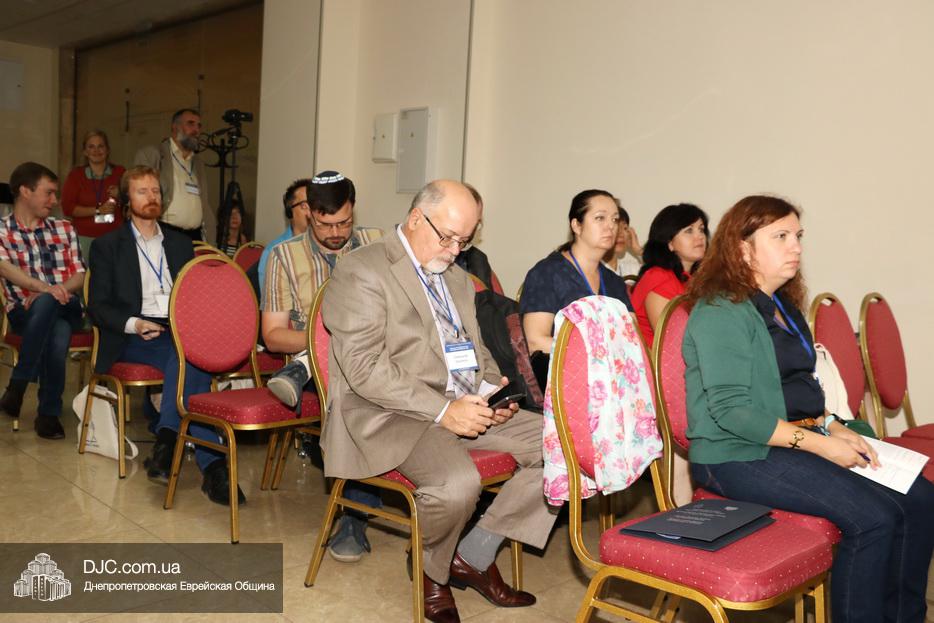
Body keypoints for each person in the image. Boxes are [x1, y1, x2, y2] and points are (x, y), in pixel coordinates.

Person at [683, 195, 934, 623]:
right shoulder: (720, 311)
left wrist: (832, 426)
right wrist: (819, 445)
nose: (796, 247)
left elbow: (799, 387)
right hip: (736, 453)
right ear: (743, 248)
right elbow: (732, 412)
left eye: (797, 236)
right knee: (873, 519)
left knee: (920, 498)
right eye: (780, 237)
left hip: (794, 435)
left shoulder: (782, 305)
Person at [322, 180, 556, 622]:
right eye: (447, 237)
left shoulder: (457, 278)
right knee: (456, 485)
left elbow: (476, 350)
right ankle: (434, 571)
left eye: (464, 241)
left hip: (461, 403)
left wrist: (490, 392)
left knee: (562, 445)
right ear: (416, 218)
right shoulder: (362, 269)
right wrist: (444, 411)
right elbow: (363, 368)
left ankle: (472, 554)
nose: (454, 250)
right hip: (389, 412)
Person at [86, 165, 242, 505]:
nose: (151, 197)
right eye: (142, 191)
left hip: (177, 330)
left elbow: (196, 296)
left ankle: (168, 441)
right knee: (191, 361)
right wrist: (135, 323)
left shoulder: (181, 243)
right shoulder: (107, 246)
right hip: (132, 335)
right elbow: (97, 307)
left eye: (155, 190)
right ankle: (213, 467)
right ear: (127, 200)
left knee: (187, 355)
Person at [260, 170, 382, 563]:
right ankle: (354, 516)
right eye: (325, 224)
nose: (336, 233)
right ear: (309, 214)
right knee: (354, 399)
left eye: (344, 223)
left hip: (377, 356)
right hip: (326, 368)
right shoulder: (284, 256)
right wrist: (324, 341)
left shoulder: (376, 245)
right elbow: (273, 336)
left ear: (353, 210)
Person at [0, 162, 85, 439]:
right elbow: (5, 269)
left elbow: (80, 275)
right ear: (25, 191)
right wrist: (45, 289)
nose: (55, 200)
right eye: (48, 193)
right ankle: (48, 414)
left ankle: (19, 383)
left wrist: (52, 292)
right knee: (57, 331)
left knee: (50, 305)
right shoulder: (2, 231)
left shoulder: (64, 228)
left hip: (68, 306)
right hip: (23, 313)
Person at [520, 189, 633, 388]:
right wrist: (595, 353)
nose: (610, 226)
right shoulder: (547, 273)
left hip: (613, 383)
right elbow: (535, 340)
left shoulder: (614, 282)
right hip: (564, 381)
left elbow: (631, 337)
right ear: (576, 225)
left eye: (615, 219)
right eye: (600, 218)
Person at [630, 203, 708, 346]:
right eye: (689, 230)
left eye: (701, 230)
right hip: (659, 359)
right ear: (669, 243)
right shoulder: (658, 278)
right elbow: (671, 342)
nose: (700, 237)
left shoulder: (692, 278)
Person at [134, 108, 214, 241]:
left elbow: (205, 203)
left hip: (195, 237)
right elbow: (139, 197)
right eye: (190, 123)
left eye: (199, 126)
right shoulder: (153, 155)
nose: (196, 130)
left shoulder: (198, 163)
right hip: (165, 233)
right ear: (175, 127)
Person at [61, 129, 125, 259]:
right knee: (83, 272)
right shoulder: (76, 175)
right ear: (85, 151)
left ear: (107, 150)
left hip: (114, 237)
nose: (96, 151)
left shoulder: (120, 172)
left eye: (100, 146)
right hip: (84, 239)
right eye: (91, 147)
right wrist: (98, 210)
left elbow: (134, 200)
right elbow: (68, 208)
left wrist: (121, 194)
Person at [256, 178, 312, 292]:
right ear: (290, 211)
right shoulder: (274, 252)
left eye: (315, 205)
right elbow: (269, 298)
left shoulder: (326, 246)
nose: (311, 211)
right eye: (305, 205)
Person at [603, 203, 642, 277]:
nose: (621, 234)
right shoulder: (592, 270)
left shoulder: (632, 270)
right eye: (616, 227)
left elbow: (660, 273)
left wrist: (638, 250)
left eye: (625, 228)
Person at [215, 184, 249, 257]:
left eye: (238, 213)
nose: (234, 217)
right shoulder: (217, 237)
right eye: (231, 213)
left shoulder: (244, 240)